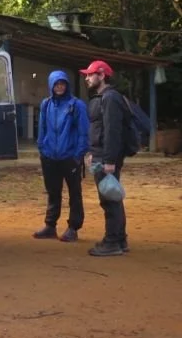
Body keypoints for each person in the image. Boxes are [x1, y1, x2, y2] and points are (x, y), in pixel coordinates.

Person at [33, 71, 89, 242]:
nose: (59, 87)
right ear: (51, 85)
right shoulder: (46, 104)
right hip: (50, 156)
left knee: (75, 193)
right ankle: (50, 225)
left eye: (62, 84)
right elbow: (42, 128)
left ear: (67, 85)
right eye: (56, 84)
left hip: (69, 156)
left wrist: (78, 155)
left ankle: (73, 227)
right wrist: (42, 148)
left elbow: (83, 132)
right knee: (53, 192)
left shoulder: (76, 105)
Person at [81, 60, 129, 257]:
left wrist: (109, 161)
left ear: (101, 75)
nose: (87, 78)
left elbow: (112, 131)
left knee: (109, 199)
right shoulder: (103, 97)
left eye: (90, 74)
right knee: (112, 197)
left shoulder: (110, 98)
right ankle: (120, 239)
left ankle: (112, 242)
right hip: (101, 154)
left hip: (106, 157)